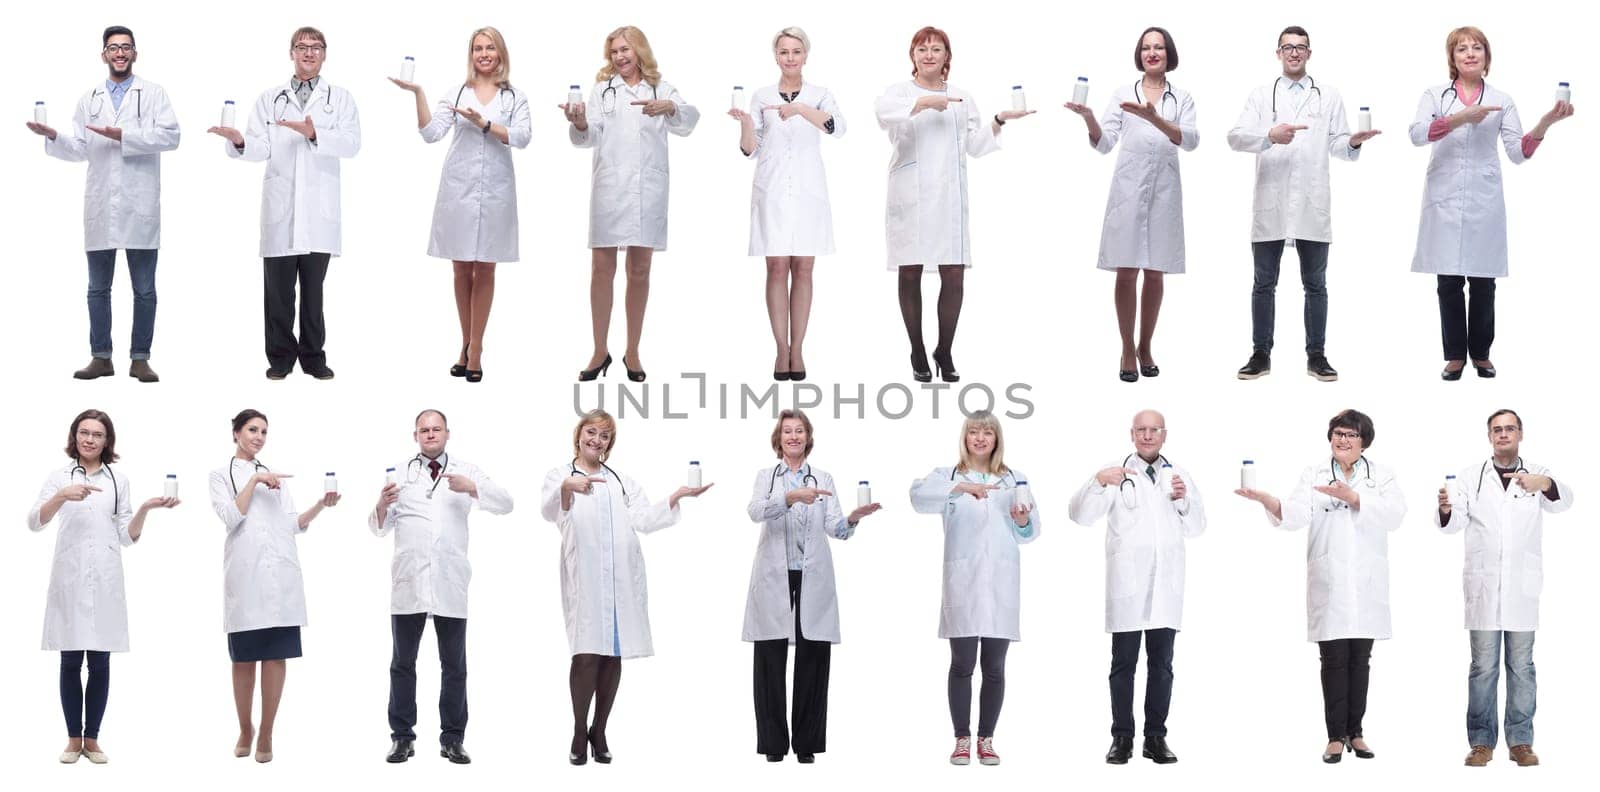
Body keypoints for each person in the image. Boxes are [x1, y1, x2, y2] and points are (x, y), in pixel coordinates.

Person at [540, 409, 711, 764]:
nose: (596, 440)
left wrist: (675, 498)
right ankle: (577, 729)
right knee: (586, 653)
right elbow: (550, 511)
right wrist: (566, 489)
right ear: (579, 435)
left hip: (620, 580)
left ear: (609, 444)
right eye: (591, 432)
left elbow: (644, 519)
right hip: (586, 578)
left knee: (611, 655)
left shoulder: (621, 481)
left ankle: (599, 730)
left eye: (604, 436)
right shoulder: (560, 475)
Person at [1235, 409, 1407, 763]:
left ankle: (1356, 733)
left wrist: (1355, 498)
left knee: (1361, 660)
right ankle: (1334, 736)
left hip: (1366, 583)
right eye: (1338, 433)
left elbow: (1395, 514)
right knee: (1332, 660)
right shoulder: (1313, 474)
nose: (1342, 440)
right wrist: (1269, 501)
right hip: (1329, 583)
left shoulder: (1382, 477)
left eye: (1350, 435)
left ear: (1364, 441)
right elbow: (1296, 515)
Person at [1409, 26, 1574, 380]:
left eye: (1477, 48)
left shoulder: (1502, 99)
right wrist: (1458, 119)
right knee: (1449, 283)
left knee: (1483, 283)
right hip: (1444, 200)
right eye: (1462, 49)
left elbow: (1519, 152)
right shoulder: (1435, 95)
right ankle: (1454, 356)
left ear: (1487, 56)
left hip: (1484, 202)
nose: (1470, 53)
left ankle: (1481, 354)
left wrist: (1546, 122)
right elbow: (1416, 134)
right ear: (1452, 59)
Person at [877, 26, 1031, 383]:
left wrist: (999, 120)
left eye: (936, 49)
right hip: (911, 195)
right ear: (912, 56)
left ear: (947, 56)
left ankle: (943, 349)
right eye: (922, 49)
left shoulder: (962, 97)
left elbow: (974, 147)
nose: (929, 54)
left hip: (948, 198)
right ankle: (917, 348)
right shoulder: (897, 93)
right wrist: (927, 101)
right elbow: (886, 116)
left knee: (954, 274)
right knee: (910, 269)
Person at [1226, 26, 1381, 382]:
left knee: (1316, 285)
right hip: (1272, 204)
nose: (1294, 53)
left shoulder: (1327, 95)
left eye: (1301, 48)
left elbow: (1340, 145)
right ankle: (1260, 354)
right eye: (1288, 47)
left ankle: (1317, 356)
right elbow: (1235, 138)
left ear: (1310, 54)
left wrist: (1354, 142)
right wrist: (1269, 135)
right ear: (1277, 53)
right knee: (1264, 283)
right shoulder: (1262, 96)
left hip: (1312, 204)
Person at [27, 26, 179, 383]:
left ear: (135, 54)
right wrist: (54, 137)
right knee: (98, 289)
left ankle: (140, 359)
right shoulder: (89, 99)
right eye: (114, 48)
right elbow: (81, 148)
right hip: (101, 207)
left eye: (126, 47)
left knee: (144, 289)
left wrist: (125, 135)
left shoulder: (154, 94)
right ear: (104, 55)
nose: (120, 53)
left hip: (140, 204)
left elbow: (172, 136)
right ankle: (101, 357)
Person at [209, 26, 361, 381]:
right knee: (277, 295)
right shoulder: (269, 98)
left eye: (316, 47)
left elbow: (353, 144)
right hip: (280, 211)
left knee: (313, 294)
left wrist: (315, 133)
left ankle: (313, 358)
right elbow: (261, 147)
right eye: (301, 47)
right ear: (291, 53)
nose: (308, 52)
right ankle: (280, 358)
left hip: (318, 213)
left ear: (325, 53)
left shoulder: (338, 98)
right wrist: (240, 141)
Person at [28, 409, 178, 763]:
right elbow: (34, 522)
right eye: (84, 432)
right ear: (74, 436)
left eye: (97, 434)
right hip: (70, 576)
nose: (90, 439)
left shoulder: (118, 481)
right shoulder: (58, 477)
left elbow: (126, 536)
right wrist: (61, 496)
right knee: (69, 660)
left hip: (106, 578)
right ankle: (71, 739)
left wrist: (145, 508)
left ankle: (92, 739)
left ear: (107, 440)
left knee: (99, 662)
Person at [370, 409, 513, 765]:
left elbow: (507, 504)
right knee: (402, 663)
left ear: (448, 433)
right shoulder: (398, 473)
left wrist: (474, 488)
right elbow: (376, 528)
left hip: (450, 582)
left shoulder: (467, 471)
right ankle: (402, 738)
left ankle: (453, 738)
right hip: (409, 584)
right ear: (415, 435)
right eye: (424, 430)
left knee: (454, 666)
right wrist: (381, 504)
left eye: (436, 429)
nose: (430, 434)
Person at [390, 27, 531, 382]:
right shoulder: (456, 93)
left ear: (501, 53)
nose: (483, 54)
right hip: (459, 190)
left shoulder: (515, 97)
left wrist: (483, 124)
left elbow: (523, 137)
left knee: (485, 269)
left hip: (496, 191)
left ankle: (477, 349)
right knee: (460, 269)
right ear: (471, 54)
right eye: (477, 48)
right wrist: (418, 94)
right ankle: (465, 343)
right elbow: (430, 133)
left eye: (490, 48)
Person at [1067, 409, 1206, 765]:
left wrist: (1183, 501)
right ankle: (1122, 738)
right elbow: (1080, 516)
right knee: (1122, 665)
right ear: (1131, 434)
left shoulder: (1179, 474)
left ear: (1164, 435)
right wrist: (1097, 481)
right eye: (1141, 430)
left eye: (1153, 430)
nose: (1147, 436)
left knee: (1162, 666)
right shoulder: (1116, 472)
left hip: (1166, 587)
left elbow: (1197, 527)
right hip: (1127, 585)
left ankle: (1155, 738)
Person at [1437, 409, 1573, 767]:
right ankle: (1481, 742)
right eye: (1497, 429)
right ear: (1489, 436)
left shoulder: (1538, 473)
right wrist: (1448, 508)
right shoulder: (1470, 477)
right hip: (1483, 588)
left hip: (1521, 590)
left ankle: (1521, 742)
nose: (1503, 434)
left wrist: (1543, 484)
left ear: (1520, 434)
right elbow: (1453, 525)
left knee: (1522, 666)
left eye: (1509, 428)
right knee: (1483, 668)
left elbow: (1566, 501)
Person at [563, 26, 700, 383]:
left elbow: (689, 120)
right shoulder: (602, 91)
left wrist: (669, 107)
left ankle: (633, 351)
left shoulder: (661, 88)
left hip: (647, 191)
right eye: (614, 52)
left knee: (639, 272)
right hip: (610, 189)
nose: (620, 57)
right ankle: (598, 349)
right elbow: (587, 137)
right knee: (601, 271)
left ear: (639, 50)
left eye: (625, 50)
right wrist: (578, 122)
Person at [743, 409, 880, 762]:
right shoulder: (766, 476)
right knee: (769, 660)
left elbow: (836, 527)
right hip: (774, 573)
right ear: (779, 439)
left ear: (808, 438)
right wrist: (789, 498)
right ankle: (773, 746)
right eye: (787, 431)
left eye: (799, 431)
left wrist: (853, 517)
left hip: (812, 574)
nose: (793, 437)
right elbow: (755, 511)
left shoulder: (823, 478)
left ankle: (806, 745)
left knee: (814, 658)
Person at [1065, 27, 1198, 383]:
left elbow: (1191, 140)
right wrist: (1088, 117)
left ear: (1169, 54)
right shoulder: (1123, 94)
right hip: (1128, 190)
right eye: (1145, 48)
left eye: (1158, 47)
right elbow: (1105, 143)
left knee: (1155, 271)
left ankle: (1146, 345)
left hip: (1164, 193)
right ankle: (1126, 347)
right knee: (1126, 270)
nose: (1152, 53)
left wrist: (1154, 117)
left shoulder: (1181, 97)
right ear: (1139, 55)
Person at [208, 409, 338, 763]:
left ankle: (266, 730)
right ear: (235, 432)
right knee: (244, 659)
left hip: (281, 578)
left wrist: (320, 507)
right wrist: (254, 481)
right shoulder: (220, 476)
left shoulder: (279, 479)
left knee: (276, 655)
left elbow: (292, 524)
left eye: (264, 431)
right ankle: (245, 727)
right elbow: (231, 517)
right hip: (245, 578)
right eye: (252, 429)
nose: (259, 436)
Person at [909, 410, 1038, 766]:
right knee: (962, 664)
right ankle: (962, 738)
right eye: (974, 432)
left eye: (987, 433)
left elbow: (1030, 533)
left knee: (995, 667)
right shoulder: (946, 476)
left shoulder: (1016, 480)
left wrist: (1023, 521)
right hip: (963, 583)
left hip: (1001, 582)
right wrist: (962, 487)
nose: (980, 439)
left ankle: (987, 739)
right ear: (965, 438)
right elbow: (918, 497)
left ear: (997, 439)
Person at [730, 27, 846, 381]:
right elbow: (751, 149)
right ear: (776, 56)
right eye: (784, 52)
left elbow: (837, 128)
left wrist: (799, 109)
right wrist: (748, 123)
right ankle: (782, 349)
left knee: (805, 270)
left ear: (805, 56)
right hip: (773, 190)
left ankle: (799, 350)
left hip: (809, 191)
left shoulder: (820, 95)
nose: (790, 57)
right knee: (777, 268)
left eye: (796, 51)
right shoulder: (762, 96)